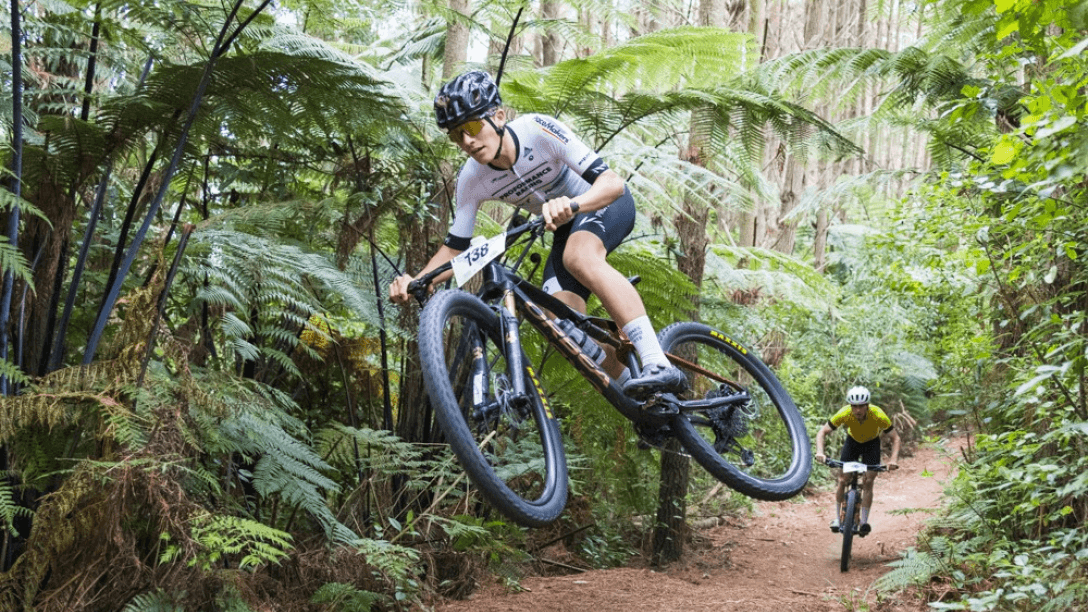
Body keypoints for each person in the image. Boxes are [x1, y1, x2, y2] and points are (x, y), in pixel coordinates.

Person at [388, 70, 685, 398]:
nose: (466, 141)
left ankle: (657, 362)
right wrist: (417, 280)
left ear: (499, 117)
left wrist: (573, 204)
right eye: (456, 135)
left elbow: (612, 184)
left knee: (579, 257)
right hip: (565, 229)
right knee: (557, 320)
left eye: (471, 127)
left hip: (600, 202)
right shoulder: (472, 178)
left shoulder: (537, 131)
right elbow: (455, 246)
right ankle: (642, 394)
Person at [814, 385, 900, 535]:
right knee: (842, 480)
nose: (858, 410)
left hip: (872, 444)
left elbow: (895, 438)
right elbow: (822, 432)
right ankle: (838, 519)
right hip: (852, 442)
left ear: (867, 406)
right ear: (850, 406)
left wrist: (893, 460)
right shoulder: (845, 413)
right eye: (854, 406)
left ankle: (864, 522)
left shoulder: (878, 415)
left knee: (868, 481)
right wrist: (820, 452)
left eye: (861, 406)